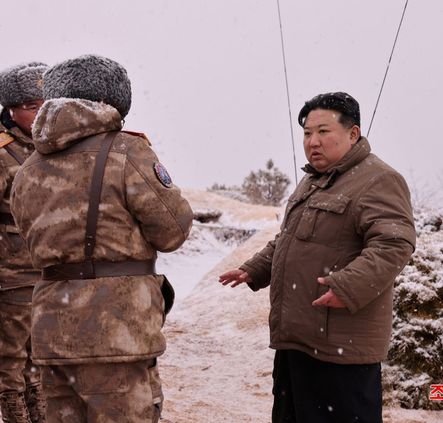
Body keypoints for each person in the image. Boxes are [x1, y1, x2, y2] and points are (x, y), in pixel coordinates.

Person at [10, 54, 193, 423]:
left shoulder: (28, 165)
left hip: (51, 332)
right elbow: (173, 230)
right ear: (112, 102)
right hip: (117, 331)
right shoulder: (127, 151)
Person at [219, 92, 416, 423]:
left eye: (324, 131)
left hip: (341, 350)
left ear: (352, 134)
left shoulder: (378, 179)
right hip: (295, 342)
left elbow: (394, 243)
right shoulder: (311, 181)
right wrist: (254, 269)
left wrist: (347, 287)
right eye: (308, 133)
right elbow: (290, 240)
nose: (313, 142)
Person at [0, 62, 49, 423]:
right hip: (12, 274)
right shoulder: (2, 152)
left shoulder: (55, 147)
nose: (39, 113)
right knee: (11, 358)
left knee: (42, 356)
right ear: (11, 109)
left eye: (46, 104)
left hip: (50, 272)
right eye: (31, 106)